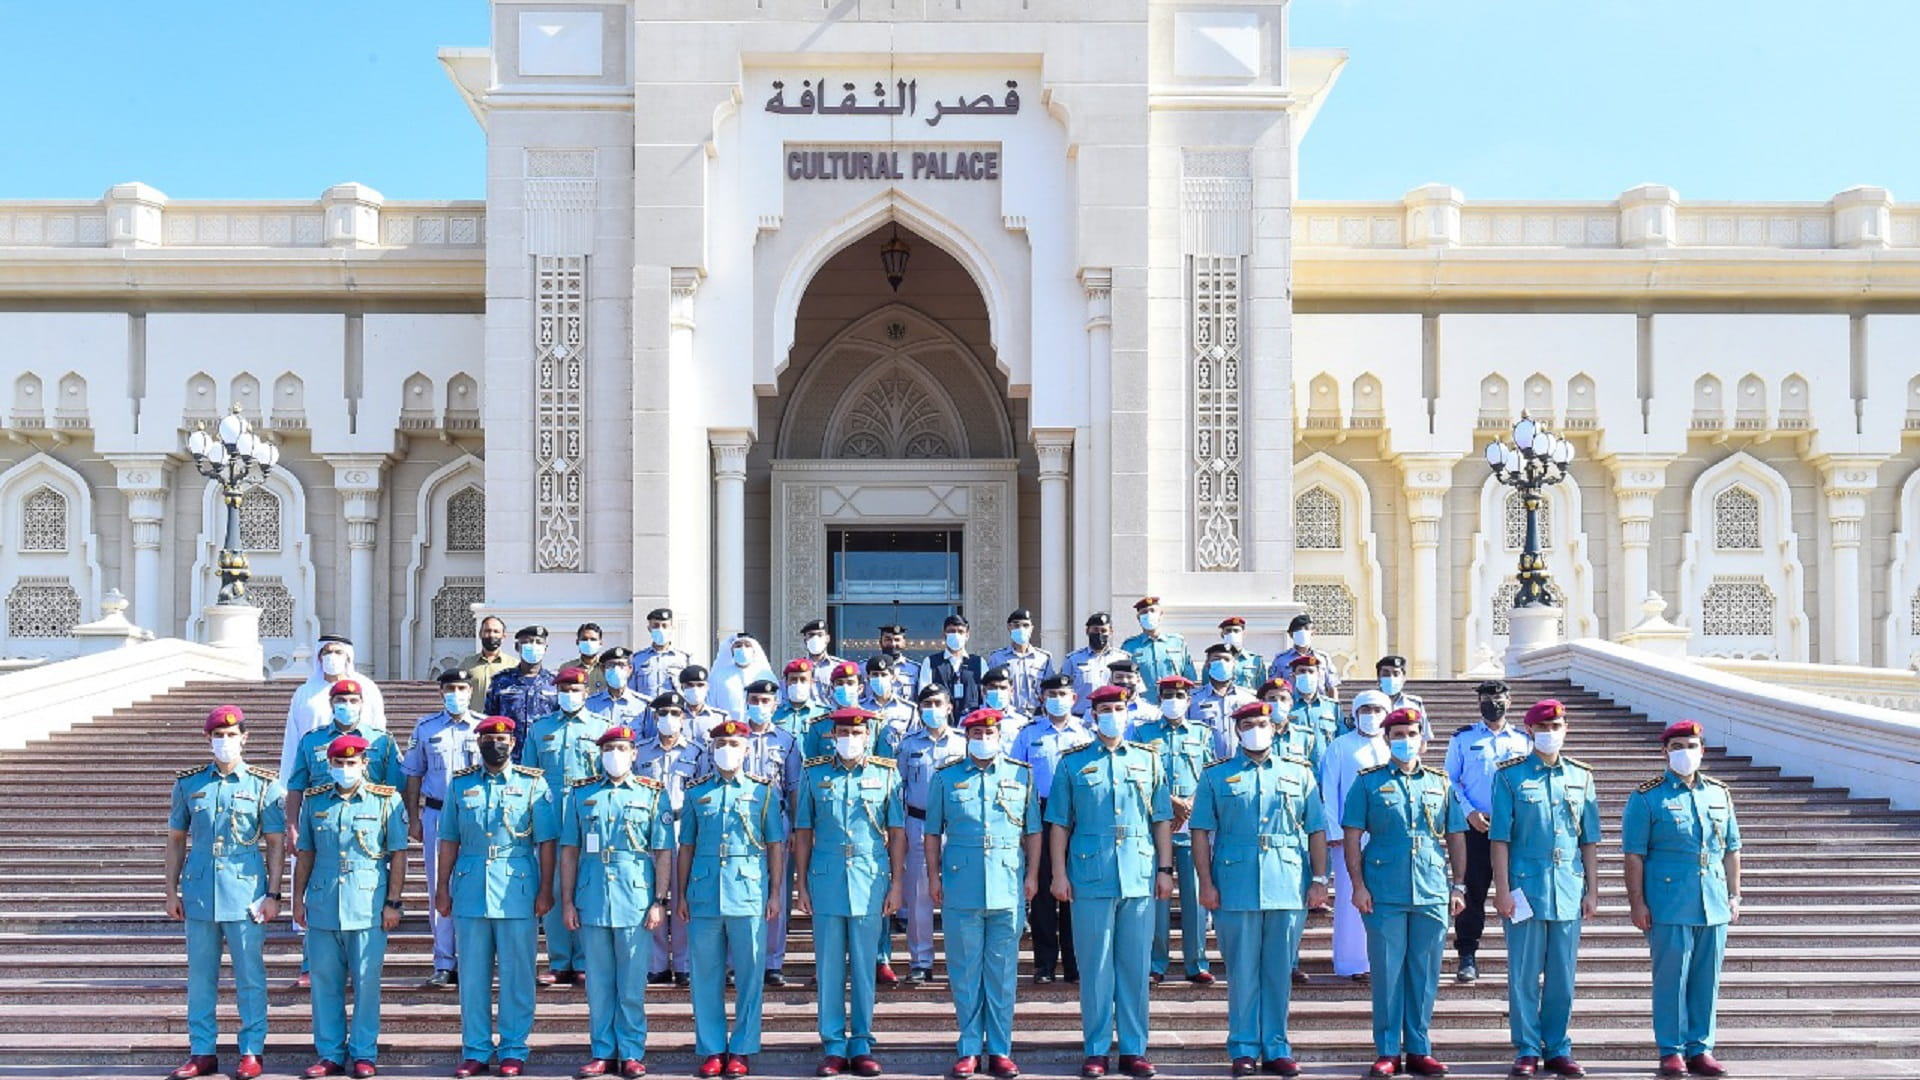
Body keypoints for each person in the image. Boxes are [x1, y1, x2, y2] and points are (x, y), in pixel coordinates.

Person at [1191, 701, 1330, 1077]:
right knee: (1241, 971)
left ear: (1275, 726)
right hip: (1234, 883)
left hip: (1287, 882)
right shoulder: (1216, 776)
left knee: (1278, 970)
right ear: (1237, 730)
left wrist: (1320, 879)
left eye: (1263, 723)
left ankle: (1277, 1045)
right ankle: (1243, 1046)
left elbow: (1317, 829)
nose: (1257, 729)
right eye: (1249, 723)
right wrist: (1205, 882)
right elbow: (1201, 831)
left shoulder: (1299, 773)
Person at [1047, 683, 1175, 1080]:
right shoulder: (1072, 763)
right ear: (1093, 715)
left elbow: (1162, 819)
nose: (1111, 716)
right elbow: (1059, 824)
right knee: (1096, 966)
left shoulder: (1148, 759)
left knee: (1135, 967)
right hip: (1090, 876)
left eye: (1117, 709)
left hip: (1138, 876)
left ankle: (1135, 1048)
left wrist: (1165, 870)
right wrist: (1058, 873)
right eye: (1104, 710)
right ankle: (1097, 1048)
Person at [1343, 707, 1468, 1079]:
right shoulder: (1366, 783)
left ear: (1423, 739)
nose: (1405, 740)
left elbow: (1456, 836)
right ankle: (1387, 1050)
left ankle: (1419, 1047)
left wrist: (1458, 884)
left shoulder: (1440, 783)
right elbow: (1352, 836)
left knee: (1425, 972)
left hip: (1430, 889)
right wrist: (1358, 885)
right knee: (1386, 972)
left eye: (1411, 733)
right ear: (1386, 739)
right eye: (1397, 734)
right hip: (1383, 890)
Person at [165, 706, 286, 1080]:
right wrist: (170, 890)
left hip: (245, 887)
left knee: (250, 974)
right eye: (218, 736)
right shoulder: (189, 784)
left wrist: (274, 893)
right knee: (201, 976)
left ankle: (252, 1050)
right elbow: (175, 840)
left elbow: (276, 843)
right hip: (200, 889)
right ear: (208, 739)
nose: (225, 742)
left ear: (245, 738)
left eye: (232, 736)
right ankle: (202, 1050)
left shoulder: (264, 784)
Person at [436, 716, 559, 1078]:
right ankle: (475, 1049)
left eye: (502, 738)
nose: (496, 743)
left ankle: (513, 1048)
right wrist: (442, 888)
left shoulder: (532, 784)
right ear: (479, 742)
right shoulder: (461, 785)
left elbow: (547, 841)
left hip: (517, 889)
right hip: (471, 888)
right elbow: (448, 840)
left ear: (513, 742)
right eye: (489, 737)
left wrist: (545, 889)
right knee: (472, 977)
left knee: (518, 975)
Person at [1622, 720, 1742, 1079]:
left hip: (1713, 899)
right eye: (1676, 747)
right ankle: (1671, 1049)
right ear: (1665, 753)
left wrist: (1735, 894)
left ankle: (1700, 1048)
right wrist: (1637, 902)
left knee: (1707, 979)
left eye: (1690, 746)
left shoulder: (1719, 793)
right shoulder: (1647, 796)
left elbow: (1732, 849)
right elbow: (1633, 855)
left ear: (1702, 750)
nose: (1684, 753)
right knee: (1671, 978)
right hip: (1668, 900)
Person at [925, 709, 1041, 1080]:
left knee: (1003, 973)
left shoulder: (1020, 774)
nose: (983, 738)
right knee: (965, 971)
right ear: (967, 735)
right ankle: (969, 1047)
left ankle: (1001, 1049)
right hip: (961, 885)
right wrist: (933, 876)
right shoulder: (946, 777)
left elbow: (1033, 831)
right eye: (976, 733)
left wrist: (1033, 875)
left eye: (988, 732)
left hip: (1007, 884)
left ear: (999, 734)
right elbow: (931, 833)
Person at [1491, 699, 1601, 1079]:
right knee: (1523, 972)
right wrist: (1501, 889)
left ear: (1565, 729)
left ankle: (1557, 1046)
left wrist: (1593, 889)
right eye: (1542, 728)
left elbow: (1588, 839)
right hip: (1525, 888)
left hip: (1568, 888)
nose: (1550, 733)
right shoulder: (1510, 776)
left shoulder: (1582, 777)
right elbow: (1500, 839)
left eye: (1556, 726)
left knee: (1562, 974)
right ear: (1530, 733)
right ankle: (1526, 1046)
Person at [794, 708, 906, 1077]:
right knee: (828, 967)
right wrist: (801, 882)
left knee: (863, 966)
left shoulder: (886, 774)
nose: (848, 738)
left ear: (867, 735)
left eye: (855, 733)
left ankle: (861, 1042)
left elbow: (897, 833)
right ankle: (832, 1045)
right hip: (825, 878)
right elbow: (804, 832)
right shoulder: (814, 773)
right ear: (832, 735)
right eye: (842, 732)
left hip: (869, 878)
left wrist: (897, 883)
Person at [561, 724, 675, 1080]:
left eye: (621, 749)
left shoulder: (652, 793)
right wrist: (566, 901)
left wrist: (659, 899)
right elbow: (569, 851)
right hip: (592, 897)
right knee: (597, 982)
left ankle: (631, 1051)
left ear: (634, 753)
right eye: (608, 749)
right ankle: (602, 1051)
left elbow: (663, 851)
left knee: (630, 983)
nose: (614, 756)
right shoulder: (581, 795)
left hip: (635, 898)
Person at [678, 719, 789, 1079]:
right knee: (706, 976)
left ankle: (741, 1047)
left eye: (735, 743)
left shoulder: (764, 792)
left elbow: (775, 844)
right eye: (721, 743)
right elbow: (687, 846)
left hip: (748, 892)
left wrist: (775, 892)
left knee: (750, 975)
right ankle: (711, 1048)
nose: (728, 749)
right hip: (705, 893)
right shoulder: (697, 793)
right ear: (712, 749)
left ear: (746, 749)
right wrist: (680, 894)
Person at [292, 734, 407, 1080]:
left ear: (364, 764)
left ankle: (363, 1053)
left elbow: (398, 855)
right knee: (325, 983)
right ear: (329, 766)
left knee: (366, 983)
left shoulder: (386, 800)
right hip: (324, 902)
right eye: (339, 763)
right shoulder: (314, 802)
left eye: (352, 763)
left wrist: (394, 902)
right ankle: (329, 1053)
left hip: (368, 903)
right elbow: (307, 854)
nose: (345, 769)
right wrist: (297, 898)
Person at [1129, 674, 1217, 985]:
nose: (1173, 700)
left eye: (1179, 695)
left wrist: (1189, 804)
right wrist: (1173, 802)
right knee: (1159, 894)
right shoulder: (1143, 732)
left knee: (1194, 896)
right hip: (1157, 822)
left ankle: (1196, 962)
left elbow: (1210, 774)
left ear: (1189, 700)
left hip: (1193, 825)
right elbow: (1140, 775)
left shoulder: (1203, 734)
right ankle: (1157, 962)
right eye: (1167, 695)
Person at [1444, 679, 1532, 984]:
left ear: (1509, 700)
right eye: (1485, 698)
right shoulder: (1462, 739)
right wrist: (1468, 812)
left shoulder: (1524, 740)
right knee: (1473, 891)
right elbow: (1450, 781)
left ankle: (1525, 955)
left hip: (1514, 830)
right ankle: (1467, 955)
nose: (1492, 703)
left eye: (1498, 698)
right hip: (1476, 827)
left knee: (1519, 890)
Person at [402, 669, 485, 989]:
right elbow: (412, 774)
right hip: (437, 813)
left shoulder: (483, 727)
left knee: (476, 885)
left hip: (476, 816)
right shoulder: (425, 728)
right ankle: (444, 962)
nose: (456, 693)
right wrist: (413, 817)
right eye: (450, 688)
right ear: (441, 692)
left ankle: (474, 959)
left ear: (470, 690)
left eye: (462, 688)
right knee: (440, 887)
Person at [527, 666, 606, 986]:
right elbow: (530, 775)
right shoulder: (540, 728)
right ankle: (560, 960)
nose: (569, 695)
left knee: (586, 884)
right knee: (554, 884)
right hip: (551, 817)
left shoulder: (602, 727)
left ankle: (586, 958)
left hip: (587, 816)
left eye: (575, 690)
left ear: (585, 693)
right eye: (564, 690)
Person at [1008, 674, 1087, 985]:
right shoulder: (1028, 734)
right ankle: (1044, 964)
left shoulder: (1085, 733)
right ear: (1042, 699)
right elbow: (1015, 778)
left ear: (1074, 698)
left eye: (1063, 693)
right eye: (1051, 693)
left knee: (1073, 888)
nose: (1057, 698)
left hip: (1076, 814)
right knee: (1040, 889)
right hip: (1038, 813)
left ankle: (1073, 962)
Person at [893, 686, 968, 984]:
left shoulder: (963, 743)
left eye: (937, 703)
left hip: (957, 827)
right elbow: (898, 788)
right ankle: (921, 961)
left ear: (949, 707)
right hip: (918, 824)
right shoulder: (909, 745)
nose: (932, 709)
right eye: (926, 704)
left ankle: (959, 960)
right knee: (919, 897)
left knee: (959, 896)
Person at [1321, 690, 1394, 983]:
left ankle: (1384, 959)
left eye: (1378, 709)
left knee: (1387, 898)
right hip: (1350, 836)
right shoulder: (1340, 746)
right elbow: (1328, 789)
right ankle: (1352, 962)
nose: (1372, 715)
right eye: (1366, 709)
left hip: (1388, 836)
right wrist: (1333, 830)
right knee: (1351, 901)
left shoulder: (1394, 745)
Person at [636, 693, 706, 987]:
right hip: (647, 831)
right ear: (654, 717)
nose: (669, 719)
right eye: (663, 713)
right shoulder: (640, 752)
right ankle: (657, 963)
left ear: (683, 717)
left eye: (675, 713)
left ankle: (683, 963)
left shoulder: (697, 752)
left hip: (682, 829)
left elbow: (703, 791)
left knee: (681, 899)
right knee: (652, 897)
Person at [740, 677, 804, 986]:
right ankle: (739, 957)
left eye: (765, 701)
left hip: (777, 821)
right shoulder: (733, 737)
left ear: (775, 705)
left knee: (776, 889)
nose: (759, 706)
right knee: (742, 887)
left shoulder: (787, 741)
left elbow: (793, 787)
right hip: (740, 822)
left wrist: (795, 827)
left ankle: (772, 962)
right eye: (754, 700)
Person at [286, 680, 400, 851]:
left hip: (369, 821)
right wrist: (292, 827)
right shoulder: (311, 740)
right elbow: (296, 786)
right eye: (341, 700)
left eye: (353, 700)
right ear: (331, 703)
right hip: (323, 819)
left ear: (362, 704)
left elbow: (396, 788)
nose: (347, 705)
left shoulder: (382, 741)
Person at [281, 634, 388, 780]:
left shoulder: (367, 688)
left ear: (347, 657)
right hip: (317, 771)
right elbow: (293, 738)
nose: (332, 656)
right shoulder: (304, 693)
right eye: (327, 652)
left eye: (338, 652)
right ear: (319, 657)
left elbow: (379, 730)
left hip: (357, 768)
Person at [484, 625, 559, 758]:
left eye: (538, 642)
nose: (533, 646)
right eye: (527, 642)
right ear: (517, 647)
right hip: (509, 756)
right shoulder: (501, 681)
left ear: (545, 649)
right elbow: (490, 718)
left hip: (545, 755)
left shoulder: (555, 683)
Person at [1120, 597, 1194, 705]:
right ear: (1138, 618)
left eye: (1153, 611)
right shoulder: (1129, 646)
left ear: (1161, 615)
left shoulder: (1178, 642)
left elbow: (1189, 678)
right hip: (1143, 706)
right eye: (1144, 612)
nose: (1149, 615)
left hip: (1173, 703)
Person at [1190, 644, 1256, 758]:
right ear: (1207, 664)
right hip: (1206, 768)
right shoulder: (1193, 699)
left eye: (1227, 659)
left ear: (1234, 664)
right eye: (1216, 659)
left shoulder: (1248, 699)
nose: (1222, 663)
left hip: (1238, 766)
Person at [987, 608, 1056, 716]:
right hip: (1008, 715)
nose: (1021, 629)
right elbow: (989, 687)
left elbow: (1050, 688)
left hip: (1036, 714)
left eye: (1025, 625)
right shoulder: (997, 657)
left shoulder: (1043, 658)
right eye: (1016, 625)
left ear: (1032, 628)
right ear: (1009, 627)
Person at [1063, 613, 1127, 717]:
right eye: (1095, 630)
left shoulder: (1122, 658)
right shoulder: (1073, 659)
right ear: (1087, 631)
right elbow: (1064, 690)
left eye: (1103, 630)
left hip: (1112, 716)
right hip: (1081, 717)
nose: (1099, 634)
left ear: (1111, 632)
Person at [919, 614, 986, 714]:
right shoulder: (930, 662)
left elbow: (985, 695)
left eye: (960, 631)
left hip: (971, 722)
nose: (956, 635)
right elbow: (924, 695)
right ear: (944, 634)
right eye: (951, 631)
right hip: (942, 720)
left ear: (967, 635)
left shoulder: (979, 662)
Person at [1268, 615, 1339, 700]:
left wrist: (1334, 709)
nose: (1302, 632)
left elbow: (1332, 687)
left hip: (1319, 706)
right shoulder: (1281, 660)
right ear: (1291, 634)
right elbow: (1273, 687)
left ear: (1313, 632)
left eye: (1306, 628)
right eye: (1298, 629)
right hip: (1291, 706)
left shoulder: (1323, 658)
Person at [712, 633, 776, 723]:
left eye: (747, 645)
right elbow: (711, 704)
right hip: (727, 730)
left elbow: (775, 702)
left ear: (754, 650)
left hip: (758, 728)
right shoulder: (719, 676)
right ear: (732, 651)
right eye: (738, 646)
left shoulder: (765, 674)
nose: (743, 649)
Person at [861, 654, 917, 757]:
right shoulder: (860, 708)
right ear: (868, 677)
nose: (879, 678)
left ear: (893, 677)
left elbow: (913, 744)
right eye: (875, 675)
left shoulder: (909, 709)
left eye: (883, 675)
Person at [636, 608, 693, 701]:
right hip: (646, 712)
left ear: (672, 628)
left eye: (664, 626)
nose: (660, 629)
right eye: (656, 626)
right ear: (649, 629)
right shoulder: (637, 659)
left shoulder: (684, 659)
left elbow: (690, 688)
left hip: (673, 712)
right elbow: (632, 691)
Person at [589, 647, 649, 735]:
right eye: (611, 665)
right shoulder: (590, 704)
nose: (616, 670)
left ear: (630, 669)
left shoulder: (643, 705)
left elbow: (648, 740)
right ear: (603, 669)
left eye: (621, 665)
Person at [460, 616, 514, 705]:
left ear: (503, 636)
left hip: (501, 718)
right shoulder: (467, 664)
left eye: (496, 631)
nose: (492, 635)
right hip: (475, 718)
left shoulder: (513, 665)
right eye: (487, 631)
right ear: (480, 634)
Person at [775, 658, 830, 745]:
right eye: (793, 680)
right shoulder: (774, 713)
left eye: (803, 679)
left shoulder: (825, 714)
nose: (798, 684)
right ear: (786, 682)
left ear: (812, 683)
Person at [1375, 655, 1428, 739]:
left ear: (1403, 678)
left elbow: (1423, 740)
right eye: (1386, 674)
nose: (1391, 678)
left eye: (1396, 674)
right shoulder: (1368, 705)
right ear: (1378, 678)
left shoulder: (1414, 704)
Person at [979, 666, 1032, 744]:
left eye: (1003, 688)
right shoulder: (969, 718)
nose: (998, 691)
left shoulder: (1022, 721)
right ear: (984, 690)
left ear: (1011, 691)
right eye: (993, 687)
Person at [1216, 616, 1266, 693]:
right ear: (1222, 635)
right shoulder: (1214, 659)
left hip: (1247, 702)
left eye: (1236, 631)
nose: (1232, 634)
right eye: (1228, 631)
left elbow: (1262, 690)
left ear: (1243, 634)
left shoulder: (1255, 661)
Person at [873, 624, 921, 703]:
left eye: (897, 640)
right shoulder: (864, 668)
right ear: (880, 642)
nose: (893, 644)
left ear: (904, 643)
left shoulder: (915, 669)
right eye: (888, 639)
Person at [801, 619, 849, 686]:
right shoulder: (796, 667)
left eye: (820, 635)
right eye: (811, 635)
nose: (815, 638)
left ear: (827, 639)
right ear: (805, 640)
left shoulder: (840, 666)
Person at [574, 623, 609, 694]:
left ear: (601, 643)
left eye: (593, 639)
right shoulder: (566, 668)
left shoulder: (608, 668)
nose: (589, 643)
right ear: (577, 642)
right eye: (584, 639)